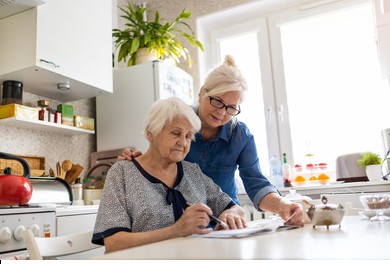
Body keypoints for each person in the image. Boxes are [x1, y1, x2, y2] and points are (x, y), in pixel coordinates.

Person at [119, 55, 304, 226]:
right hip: (181, 224)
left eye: (232, 107)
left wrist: (283, 205)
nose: (222, 112)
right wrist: (137, 162)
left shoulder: (240, 136)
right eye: (217, 101)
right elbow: (157, 162)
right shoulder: (179, 123)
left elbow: (256, 183)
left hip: (225, 222)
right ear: (201, 93)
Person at [92, 97, 247, 253]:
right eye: (175, 133)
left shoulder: (192, 172)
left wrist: (231, 214)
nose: (183, 143)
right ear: (150, 133)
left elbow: (234, 207)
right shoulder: (121, 173)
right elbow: (113, 243)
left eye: (188, 136)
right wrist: (176, 230)